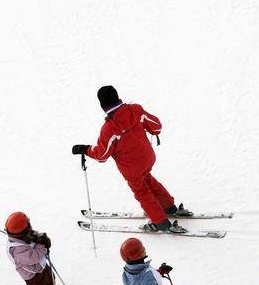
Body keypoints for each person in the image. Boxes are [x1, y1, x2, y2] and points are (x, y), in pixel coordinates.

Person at [71, 85, 192, 233]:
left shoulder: (109, 129)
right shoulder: (136, 110)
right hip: (148, 158)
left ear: (103, 106)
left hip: (132, 168)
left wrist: (85, 149)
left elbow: (102, 156)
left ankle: (160, 222)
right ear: (117, 97)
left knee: (142, 191)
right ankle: (169, 207)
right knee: (147, 179)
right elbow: (156, 127)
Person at [4, 211, 72, 285]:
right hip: (32, 275)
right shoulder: (18, 250)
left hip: (40, 266)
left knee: (50, 276)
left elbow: (33, 234)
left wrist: (41, 237)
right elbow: (34, 256)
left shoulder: (24, 234)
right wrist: (42, 245)